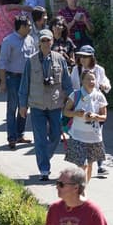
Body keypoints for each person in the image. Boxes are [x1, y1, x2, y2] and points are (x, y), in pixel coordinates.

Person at [19, 29, 73, 181]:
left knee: (56, 136)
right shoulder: (31, 60)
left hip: (56, 104)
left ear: (52, 42)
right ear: (39, 42)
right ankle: (44, 168)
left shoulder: (60, 59)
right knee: (40, 138)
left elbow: (67, 83)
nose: (45, 43)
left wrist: (72, 101)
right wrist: (23, 105)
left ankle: (44, 156)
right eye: (43, 40)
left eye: (48, 40)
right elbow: (24, 85)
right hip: (37, 105)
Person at [71, 45, 112, 176]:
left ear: (91, 58)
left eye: (85, 56)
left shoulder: (99, 70)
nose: (82, 59)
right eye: (81, 56)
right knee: (80, 134)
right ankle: (82, 164)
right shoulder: (76, 70)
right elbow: (72, 87)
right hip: (81, 107)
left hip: (96, 106)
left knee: (97, 133)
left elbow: (106, 85)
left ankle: (100, 165)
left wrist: (105, 86)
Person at [63, 69, 108, 183]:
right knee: (82, 166)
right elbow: (66, 112)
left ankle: (83, 189)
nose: (91, 81)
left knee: (89, 165)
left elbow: (104, 117)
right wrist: (76, 113)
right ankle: (81, 189)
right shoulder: (75, 94)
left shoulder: (99, 96)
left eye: (93, 79)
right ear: (82, 81)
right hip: (78, 136)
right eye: (88, 79)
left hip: (93, 137)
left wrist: (95, 116)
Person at [0, 15, 36, 150]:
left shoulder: (31, 40)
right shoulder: (8, 41)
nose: (31, 28)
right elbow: (2, 62)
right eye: (28, 25)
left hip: (27, 78)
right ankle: (11, 137)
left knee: (24, 107)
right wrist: (3, 82)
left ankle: (20, 134)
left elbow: (33, 60)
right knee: (12, 107)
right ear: (22, 27)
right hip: (13, 78)